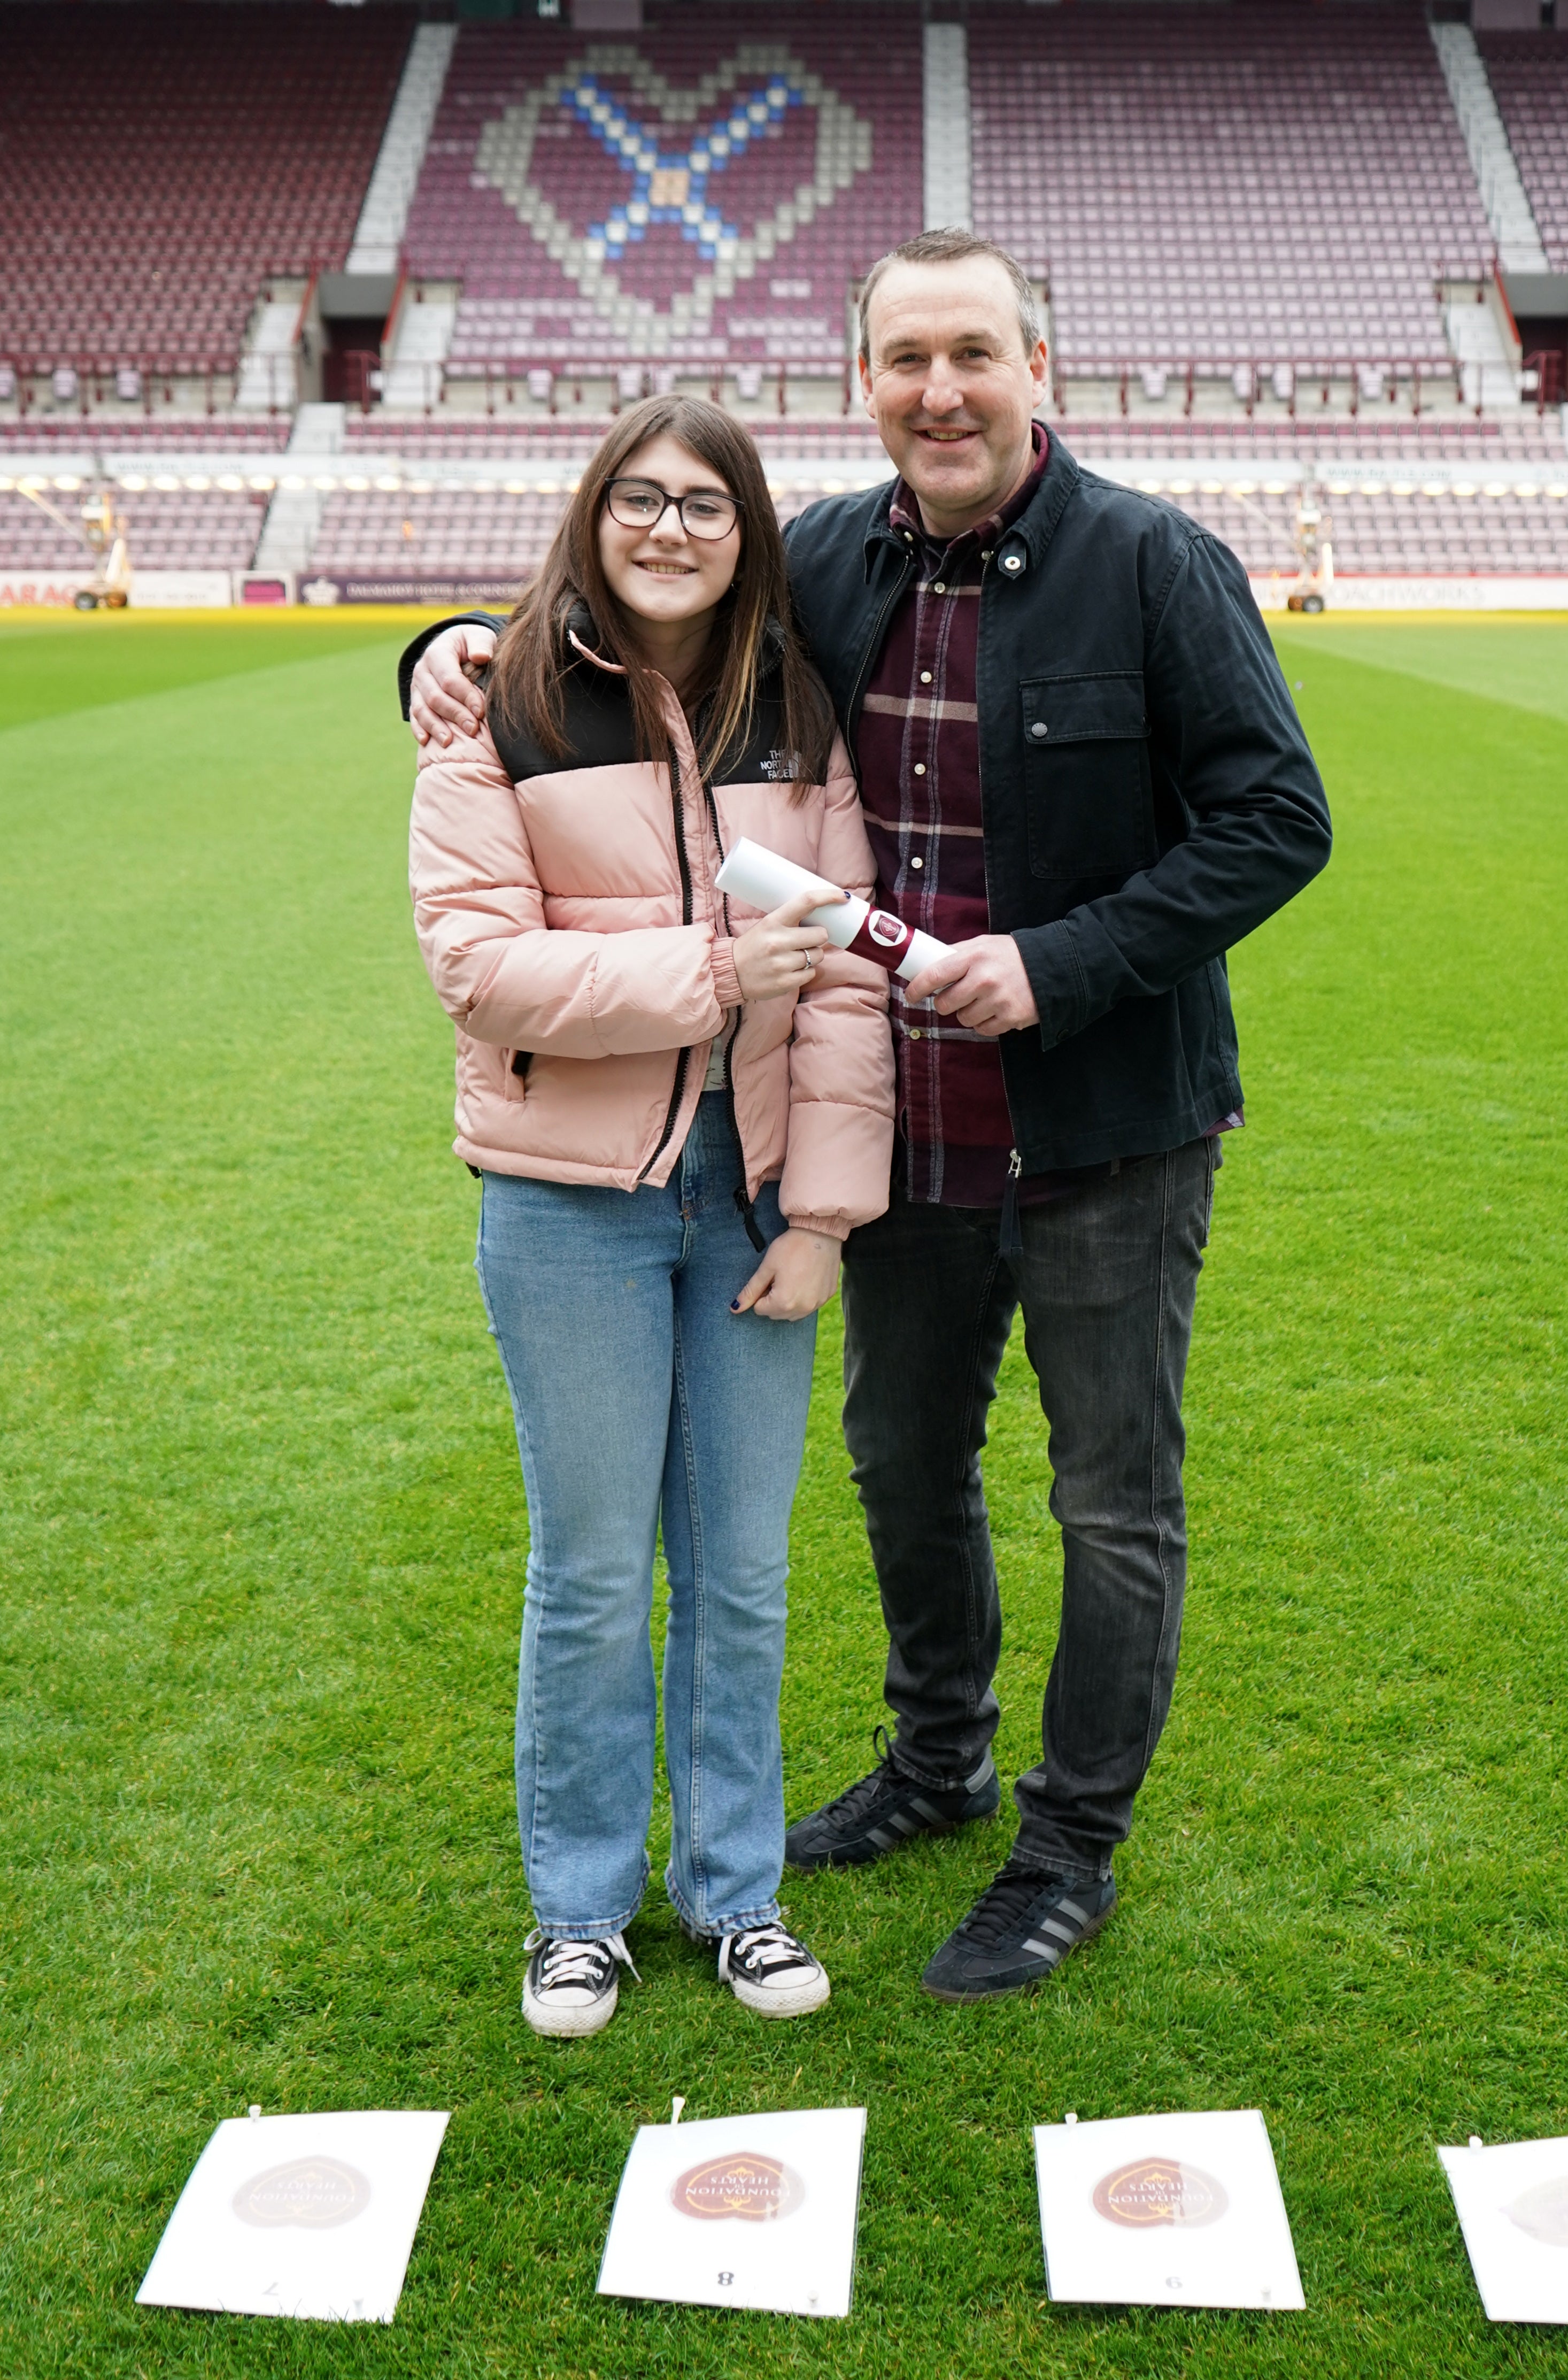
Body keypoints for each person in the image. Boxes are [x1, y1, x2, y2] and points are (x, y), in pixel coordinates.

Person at [403, 230, 1332, 2007]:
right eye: (907, 358)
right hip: (895, 1126)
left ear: (1039, 365)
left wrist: (1056, 964)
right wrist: (452, 647)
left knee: (1110, 1498)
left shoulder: (1156, 562)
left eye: (974, 352)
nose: (941, 390)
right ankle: (937, 1759)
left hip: (1105, 1124)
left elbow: (1276, 820)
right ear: (867, 383)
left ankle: (1067, 1843)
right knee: (905, 1464)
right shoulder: (822, 560)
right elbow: (637, 645)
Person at [407, 393, 893, 2037]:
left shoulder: (795, 706)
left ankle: (737, 1894)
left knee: (742, 1572)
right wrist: (711, 972)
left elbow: (844, 992)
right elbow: (480, 966)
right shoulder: (497, 700)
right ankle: (580, 1913)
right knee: (597, 1573)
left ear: (747, 532)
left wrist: (825, 1216)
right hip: (568, 1205)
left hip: (752, 1196)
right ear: (592, 513)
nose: (670, 528)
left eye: (705, 502)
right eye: (640, 498)